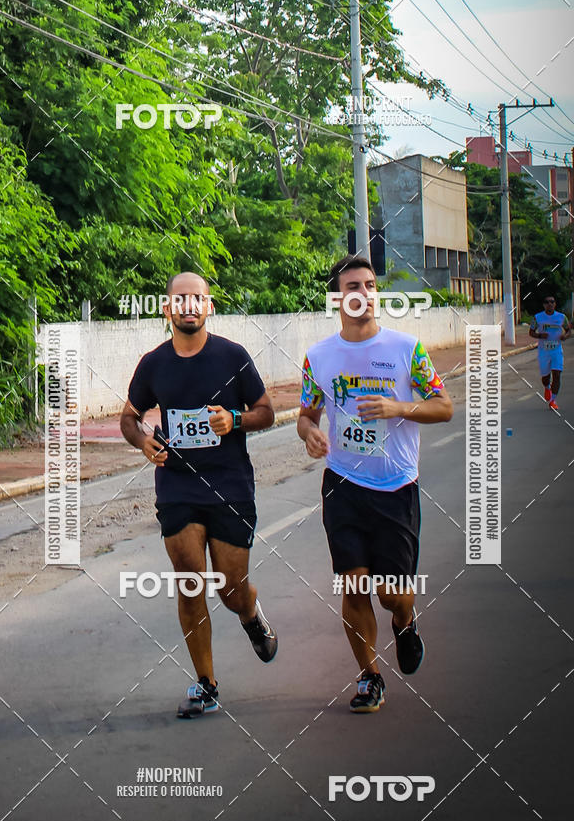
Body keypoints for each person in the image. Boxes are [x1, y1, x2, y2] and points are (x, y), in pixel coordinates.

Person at [297, 256, 453, 713]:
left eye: (369, 284)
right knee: (354, 584)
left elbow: (444, 407)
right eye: (352, 286)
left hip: (396, 487)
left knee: (392, 593)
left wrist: (397, 407)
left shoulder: (407, 349)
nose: (362, 292)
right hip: (343, 484)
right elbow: (306, 415)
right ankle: (370, 676)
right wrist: (310, 434)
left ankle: (405, 623)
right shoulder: (319, 357)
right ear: (337, 297)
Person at [120, 272, 277, 719]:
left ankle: (250, 614)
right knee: (190, 581)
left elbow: (266, 411)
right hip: (178, 485)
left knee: (230, 588)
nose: (189, 306)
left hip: (229, 484)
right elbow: (129, 416)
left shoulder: (233, 357)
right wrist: (143, 441)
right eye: (179, 300)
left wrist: (236, 420)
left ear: (209, 306)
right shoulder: (154, 363)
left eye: (197, 299)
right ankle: (206, 683)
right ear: (167, 309)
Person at [529, 296, 571, 410]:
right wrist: (539, 335)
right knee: (545, 378)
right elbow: (531, 332)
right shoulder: (537, 317)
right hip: (544, 351)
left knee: (557, 374)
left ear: (555, 304)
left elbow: (568, 331)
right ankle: (547, 387)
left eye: (552, 302)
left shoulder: (562, 317)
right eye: (547, 302)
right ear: (544, 305)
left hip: (556, 350)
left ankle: (552, 401)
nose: (549, 304)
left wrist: (565, 336)